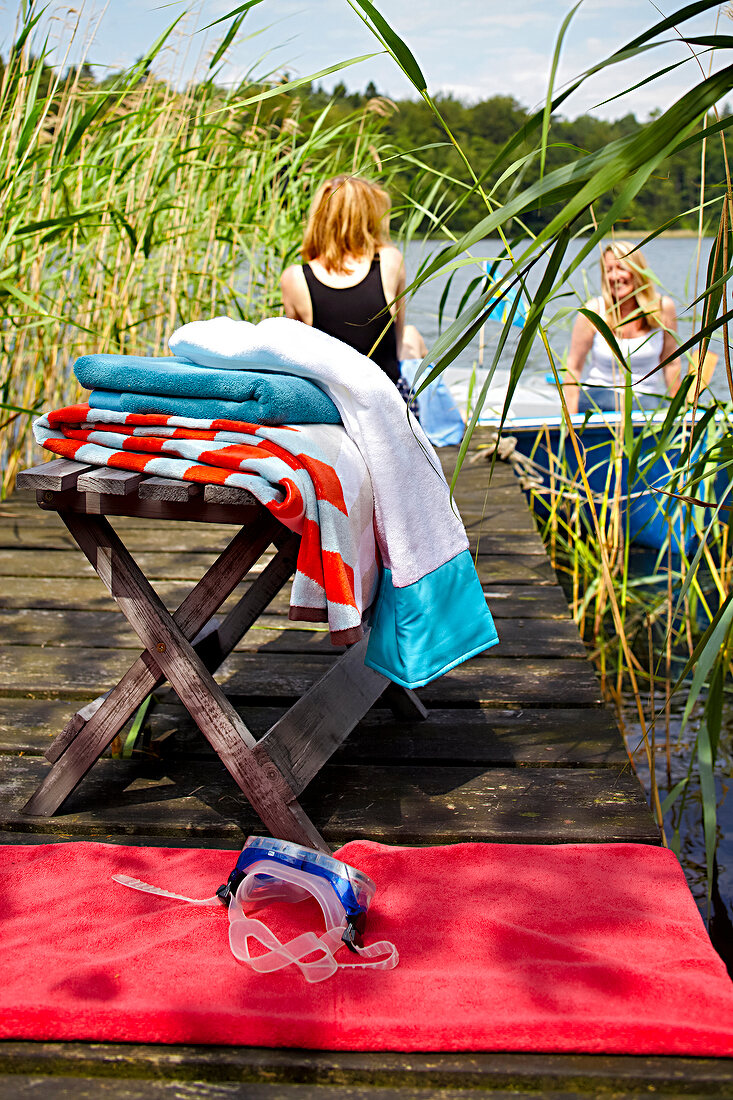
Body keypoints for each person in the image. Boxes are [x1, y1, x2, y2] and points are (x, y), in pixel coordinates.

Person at [280, 174, 423, 405]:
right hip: (386, 400)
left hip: (332, 405)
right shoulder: (388, 261)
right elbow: (396, 340)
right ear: (368, 217)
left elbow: (299, 358)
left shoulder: (295, 278)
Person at [563, 241, 680, 414]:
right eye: (608, 270)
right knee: (617, 401)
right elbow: (574, 366)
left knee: (657, 407)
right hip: (599, 398)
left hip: (645, 400)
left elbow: (671, 364)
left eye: (620, 267)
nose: (614, 276)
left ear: (637, 270)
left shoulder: (662, 307)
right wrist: (570, 419)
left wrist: (680, 412)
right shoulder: (593, 311)